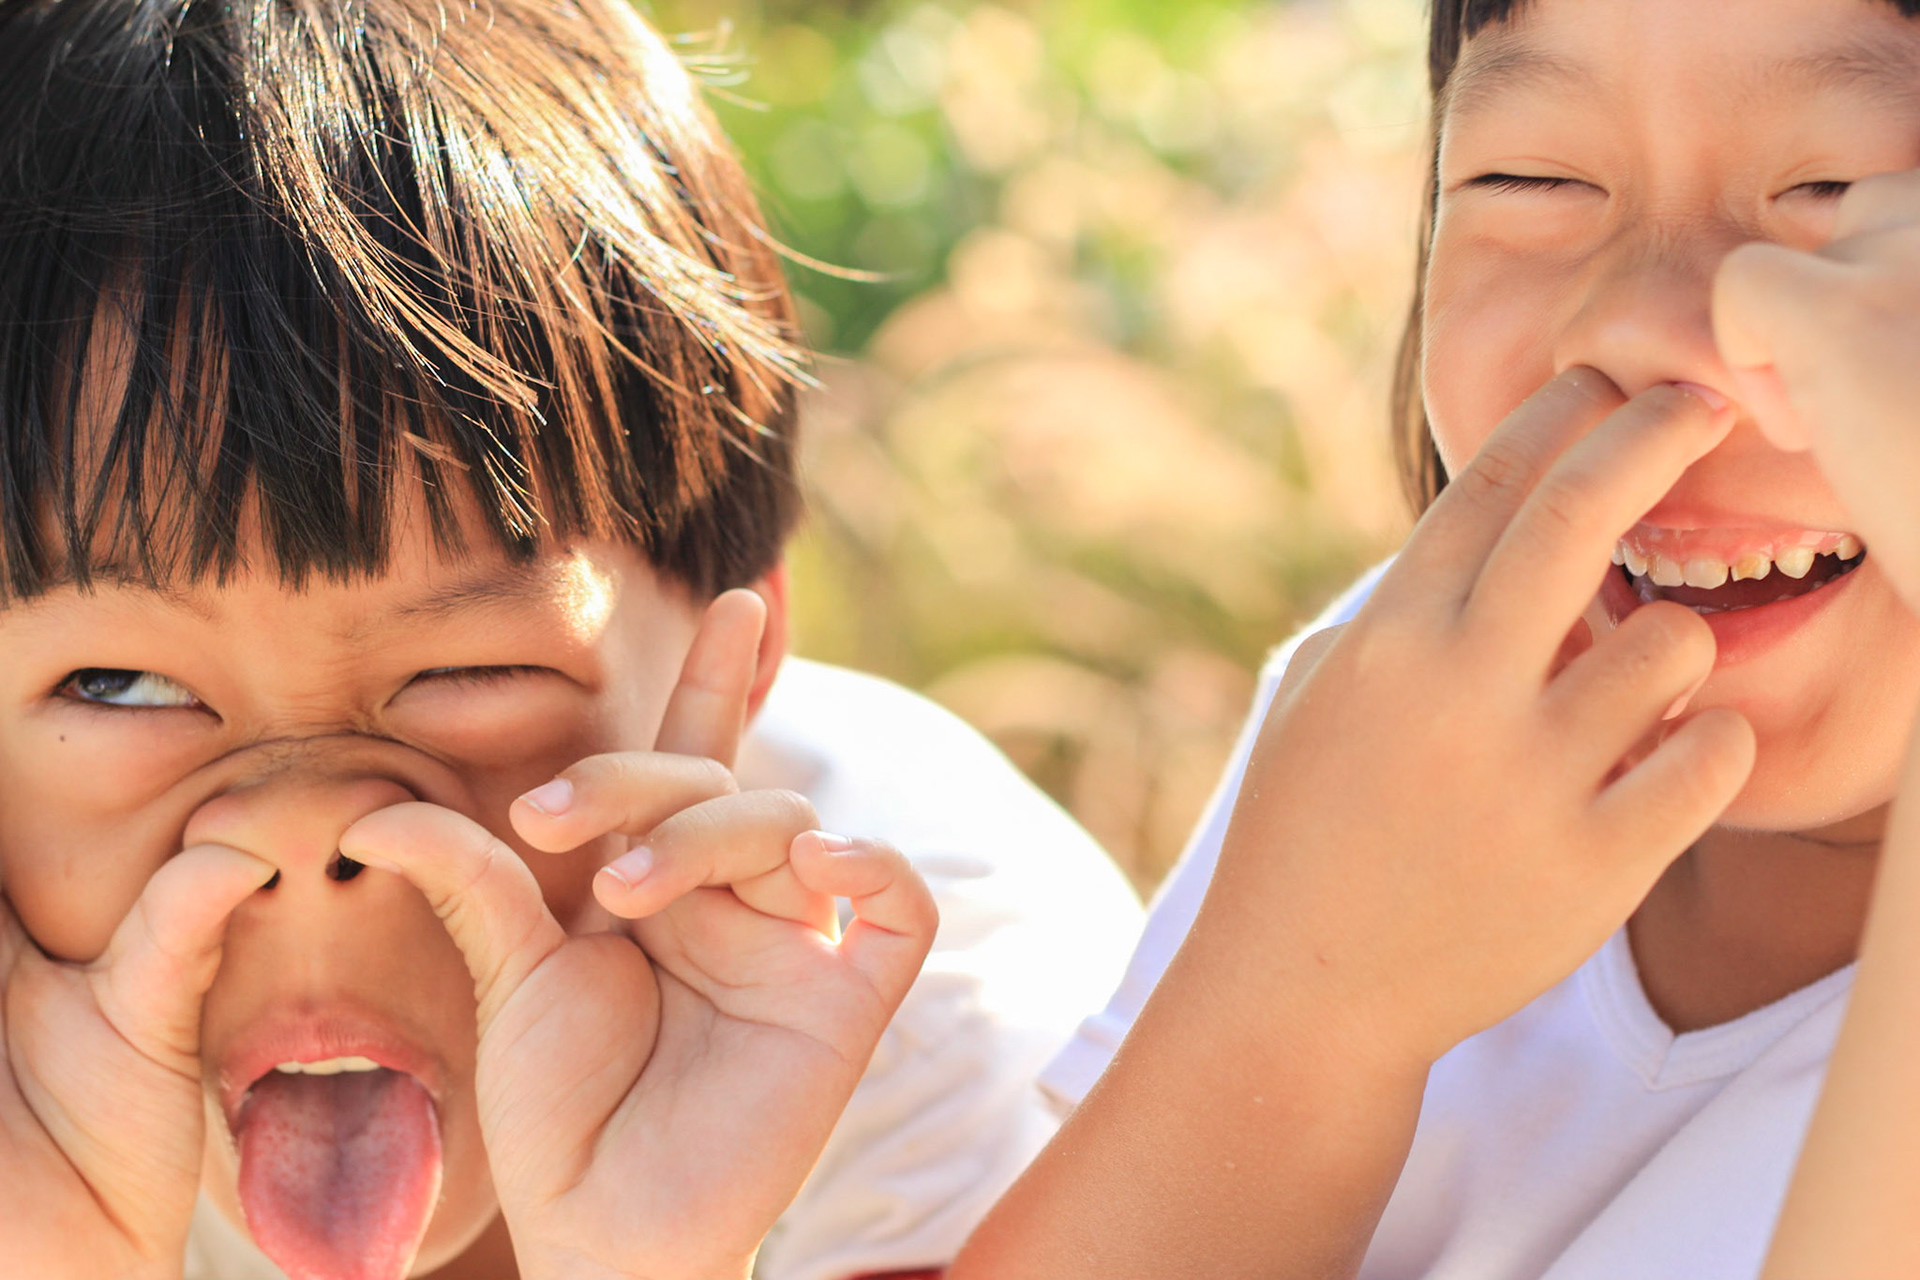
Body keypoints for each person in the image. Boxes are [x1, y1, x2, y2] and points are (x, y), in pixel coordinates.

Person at [0, 2, 1143, 1278]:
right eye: (119, 684)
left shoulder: (918, 1014)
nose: (305, 832)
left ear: (737, 665)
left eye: (469, 672)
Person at [954, 0, 1920, 1276]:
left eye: (1840, 188)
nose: (1629, 324)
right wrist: (1310, 1007)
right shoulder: (1410, 694)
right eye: (1535, 176)